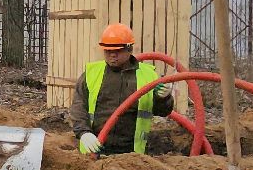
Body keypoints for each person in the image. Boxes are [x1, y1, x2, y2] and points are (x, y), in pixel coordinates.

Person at [69, 22, 174, 155]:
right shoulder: (91, 74)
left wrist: (163, 98)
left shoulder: (148, 75)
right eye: (108, 50)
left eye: (117, 50)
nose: (112, 55)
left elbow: (163, 111)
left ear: (129, 49)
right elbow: (78, 107)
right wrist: (84, 133)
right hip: (94, 152)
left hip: (131, 156)